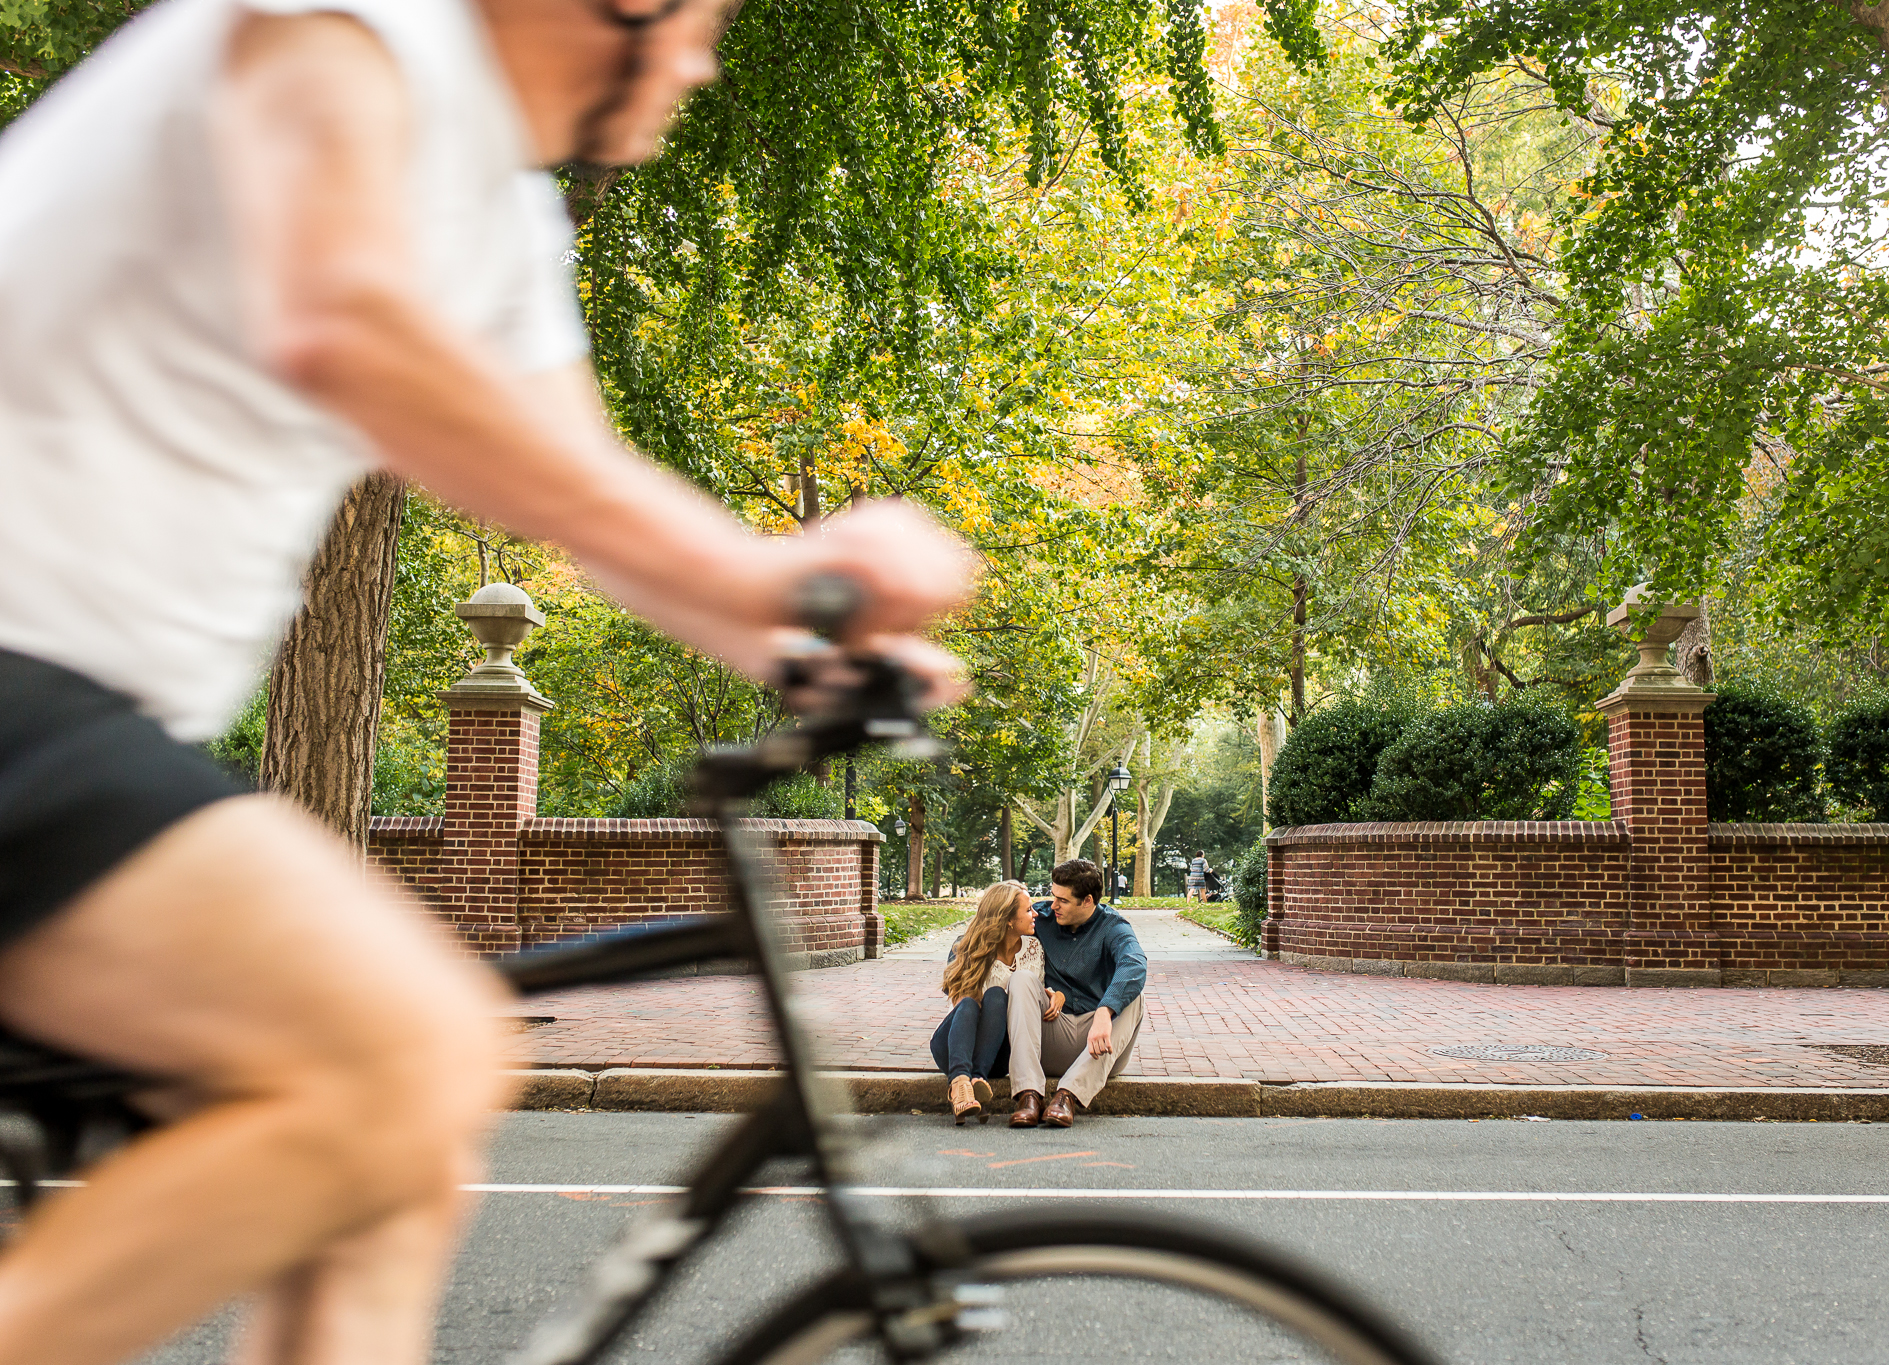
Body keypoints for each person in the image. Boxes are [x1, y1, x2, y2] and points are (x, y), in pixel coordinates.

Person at [0, 3, 975, 1365]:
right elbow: (340, 323)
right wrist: (774, 578)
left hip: (69, 705)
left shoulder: (509, 225)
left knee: (391, 1163)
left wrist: (816, 641)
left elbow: (590, 503)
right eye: (700, 22)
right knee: (403, 1055)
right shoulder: (339, 27)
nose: (702, 62)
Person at [1006, 860, 1147, 1129]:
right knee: (1022, 979)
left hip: (1098, 1046)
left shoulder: (1113, 927)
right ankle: (1029, 1096)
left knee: (1135, 997)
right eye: (1053, 896)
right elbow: (985, 931)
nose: (1053, 905)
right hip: (1051, 1033)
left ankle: (1067, 1096)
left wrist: (1106, 1012)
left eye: (1063, 900)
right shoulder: (1043, 919)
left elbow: (1135, 963)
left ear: (1087, 901)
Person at [929, 881, 1041, 1124]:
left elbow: (1039, 994)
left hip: (998, 1054)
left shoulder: (1034, 949)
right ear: (1008, 919)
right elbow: (959, 1002)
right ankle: (962, 1082)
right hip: (956, 1047)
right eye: (1029, 910)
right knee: (970, 1002)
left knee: (996, 996)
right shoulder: (965, 947)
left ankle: (976, 1081)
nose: (1036, 914)